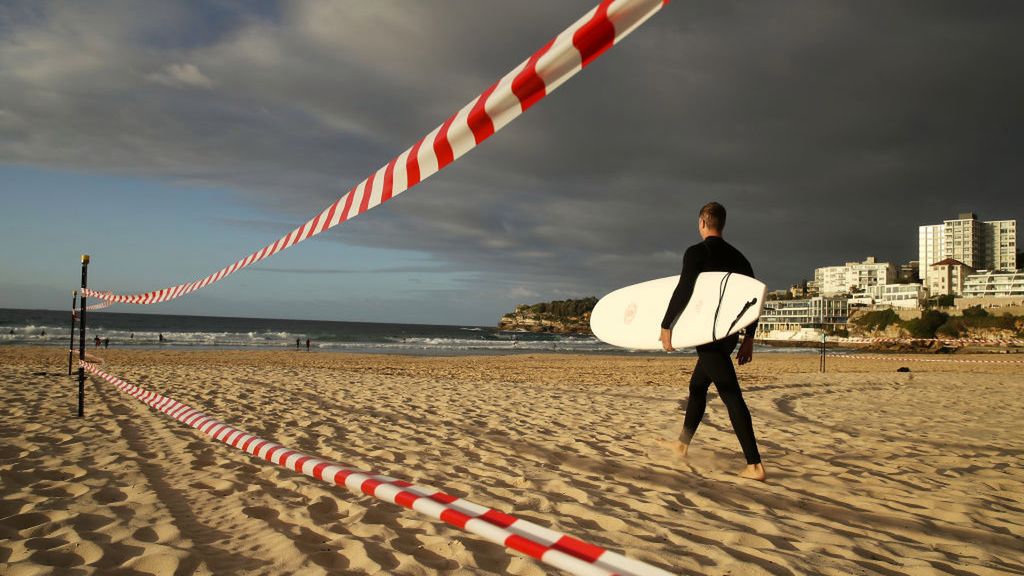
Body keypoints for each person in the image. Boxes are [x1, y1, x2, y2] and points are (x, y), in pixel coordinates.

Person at [659, 202, 766, 482]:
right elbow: (753, 299)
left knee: (730, 393)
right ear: (722, 223)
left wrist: (666, 324)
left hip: (708, 335)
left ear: (702, 222)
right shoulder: (740, 258)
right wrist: (749, 338)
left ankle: (754, 464)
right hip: (729, 336)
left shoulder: (697, 252)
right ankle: (682, 444)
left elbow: (684, 288)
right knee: (697, 386)